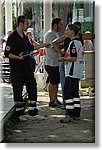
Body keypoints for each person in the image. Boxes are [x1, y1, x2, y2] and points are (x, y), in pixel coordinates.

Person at [4, 15, 50, 122]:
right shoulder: (12, 37)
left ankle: (33, 112)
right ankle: (19, 114)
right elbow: (7, 53)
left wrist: (44, 45)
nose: (28, 26)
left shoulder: (24, 36)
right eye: (26, 23)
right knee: (18, 91)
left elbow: (31, 47)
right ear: (21, 23)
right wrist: (17, 57)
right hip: (17, 70)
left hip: (27, 69)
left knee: (32, 88)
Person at [53, 24, 84, 123]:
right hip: (76, 72)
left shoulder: (74, 43)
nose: (65, 32)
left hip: (72, 72)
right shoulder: (78, 42)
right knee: (74, 93)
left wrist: (63, 59)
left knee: (67, 93)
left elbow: (73, 58)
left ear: (72, 31)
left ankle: (69, 113)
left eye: (67, 30)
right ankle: (76, 113)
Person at [44, 18, 63, 107]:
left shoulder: (55, 34)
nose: (61, 26)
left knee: (56, 82)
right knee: (52, 81)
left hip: (56, 62)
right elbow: (53, 46)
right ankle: (51, 101)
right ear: (55, 25)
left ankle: (55, 99)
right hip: (51, 62)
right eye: (60, 24)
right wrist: (61, 52)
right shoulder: (50, 34)